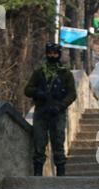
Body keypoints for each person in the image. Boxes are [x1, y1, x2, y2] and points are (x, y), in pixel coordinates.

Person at [24, 43, 77, 176]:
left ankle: (60, 174)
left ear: (58, 54)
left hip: (57, 113)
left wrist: (61, 105)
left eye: (54, 53)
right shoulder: (39, 72)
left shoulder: (65, 74)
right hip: (41, 112)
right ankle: (37, 174)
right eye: (50, 53)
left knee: (58, 142)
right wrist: (38, 92)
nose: (52, 55)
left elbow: (72, 94)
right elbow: (27, 89)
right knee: (39, 142)